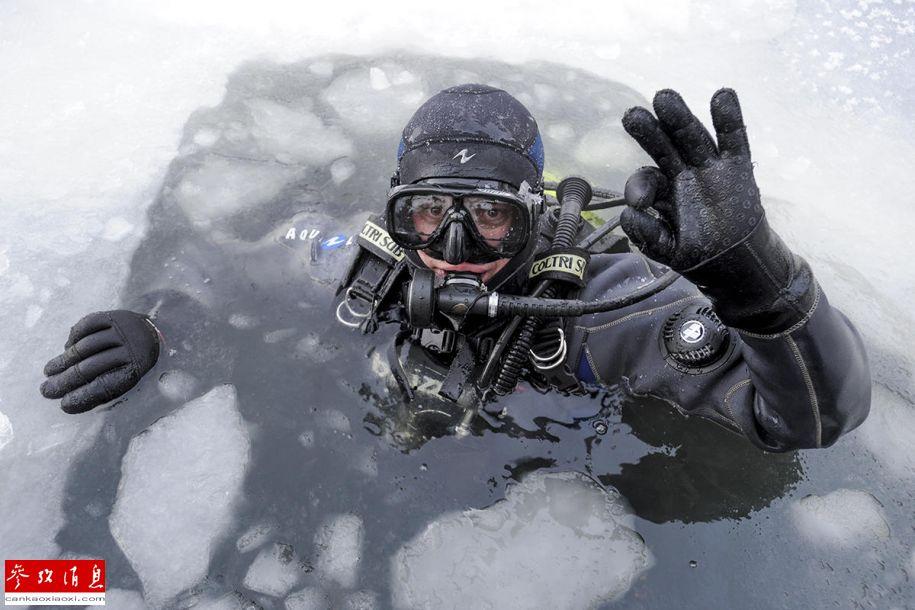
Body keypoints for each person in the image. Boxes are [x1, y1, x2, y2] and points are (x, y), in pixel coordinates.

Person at [40, 83, 871, 452]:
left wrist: (763, 292)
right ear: (393, 210)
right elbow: (224, 269)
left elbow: (806, 424)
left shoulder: (603, 308)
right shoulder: (355, 260)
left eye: (492, 215)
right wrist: (158, 319)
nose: (455, 243)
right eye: (428, 212)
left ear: (536, 213)